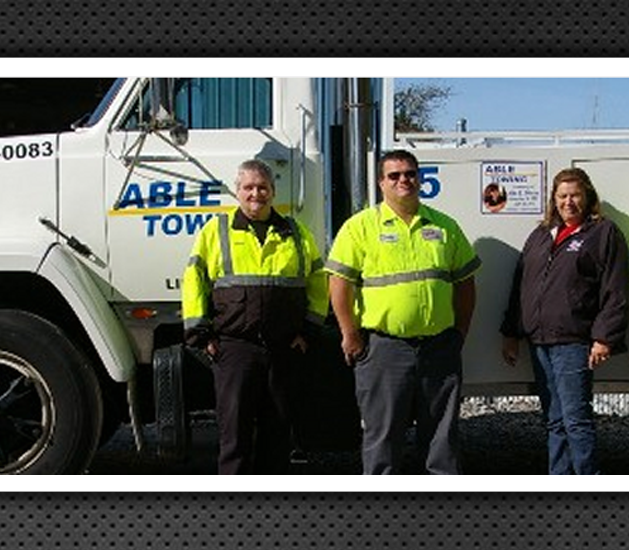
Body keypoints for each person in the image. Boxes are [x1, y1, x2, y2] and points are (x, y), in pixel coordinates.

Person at [326, 150, 480, 475]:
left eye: (409, 174)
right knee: (382, 438)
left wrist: (459, 335)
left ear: (420, 178)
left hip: (439, 348)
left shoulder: (444, 226)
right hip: (384, 350)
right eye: (394, 175)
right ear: (381, 182)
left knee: (442, 439)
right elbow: (339, 284)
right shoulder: (360, 227)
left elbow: (466, 284)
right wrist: (350, 334)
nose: (403, 180)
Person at [181, 159, 328, 475]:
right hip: (235, 348)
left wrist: (309, 332)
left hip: (283, 348)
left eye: (262, 187)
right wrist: (201, 335)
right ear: (237, 191)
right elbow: (194, 280)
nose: (255, 194)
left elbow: (318, 282)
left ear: (273, 192)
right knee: (234, 436)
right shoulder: (215, 231)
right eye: (248, 187)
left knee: (278, 435)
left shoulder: (297, 233)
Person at [500, 167, 629, 475]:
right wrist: (510, 332)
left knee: (576, 420)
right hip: (539, 340)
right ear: (553, 200)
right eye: (562, 196)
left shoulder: (603, 232)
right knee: (554, 420)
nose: (568, 202)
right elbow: (521, 284)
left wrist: (604, 337)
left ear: (587, 197)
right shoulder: (540, 234)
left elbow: (616, 288)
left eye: (575, 195)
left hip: (573, 341)